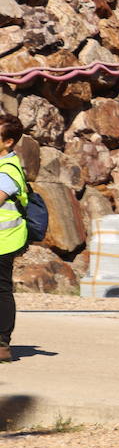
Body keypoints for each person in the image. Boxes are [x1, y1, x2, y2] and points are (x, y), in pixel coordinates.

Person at [0, 115, 28, 363]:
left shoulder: (8, 169)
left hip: (4, 239)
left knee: (2, 290)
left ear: (8, 142)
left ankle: (2, 344)